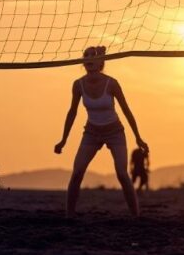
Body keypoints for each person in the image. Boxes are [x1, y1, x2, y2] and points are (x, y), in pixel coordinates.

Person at [55, 45, 148, 218]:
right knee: (77, 173)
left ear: (101, 63)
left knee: (122, 173)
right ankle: (69, 216)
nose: (89, 58)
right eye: (86, 55)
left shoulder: (111, 83)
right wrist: (63, 140)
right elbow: (72, 112)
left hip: (115, 131)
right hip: (91, 132)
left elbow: (127, 111)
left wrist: (138, 138)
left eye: (93, 55)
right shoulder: (78, 85)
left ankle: (136, 216)